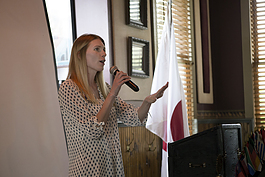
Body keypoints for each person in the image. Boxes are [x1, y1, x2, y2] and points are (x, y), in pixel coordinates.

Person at [58, 34, 168, 177]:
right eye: (97, 49)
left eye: (104, 50)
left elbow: (133, 118)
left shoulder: (104, 88)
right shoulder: (69, 88)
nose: (103, 54)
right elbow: (93, 130)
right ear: (79, 55)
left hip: (111, 166)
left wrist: (147, 102)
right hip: (88, 169)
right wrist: (113, 94)